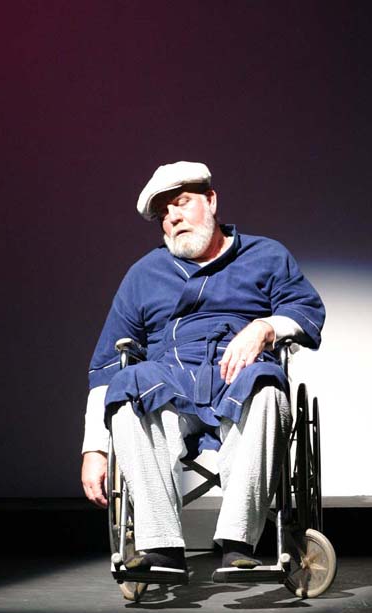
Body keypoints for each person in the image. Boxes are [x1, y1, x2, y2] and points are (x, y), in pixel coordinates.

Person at [81, 161, 325, 577]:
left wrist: (265, 328)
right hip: (170, 380)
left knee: (269, 387)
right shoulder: (144, 274)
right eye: (164, 214)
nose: (173, 218)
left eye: (181, 203)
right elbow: (106, 365)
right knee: (127, 386)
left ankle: (237, 542)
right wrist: (94, 450)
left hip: (239, 375)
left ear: (211, 201)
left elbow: (306, 311)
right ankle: (160, 546)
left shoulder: (265, 255)